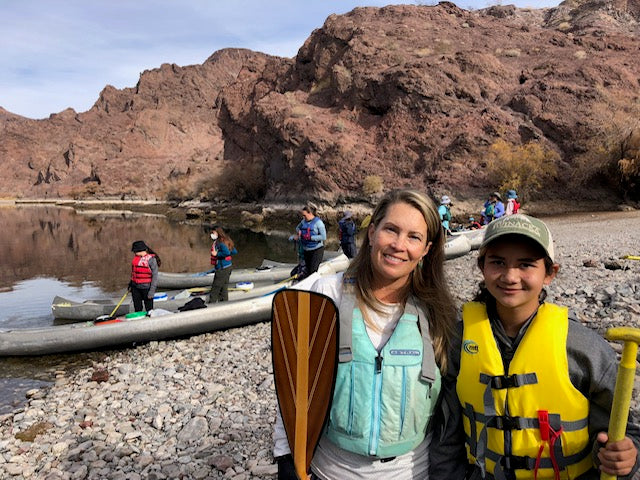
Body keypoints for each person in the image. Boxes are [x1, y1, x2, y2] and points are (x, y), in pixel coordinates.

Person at [430, 214, 640, 480]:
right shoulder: (458, 341)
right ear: (482, 267)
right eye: (498, 262)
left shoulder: (584, 348)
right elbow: (446, 435)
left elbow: (623, 432)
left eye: (526, 264)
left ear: (550, 273)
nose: (510, 276)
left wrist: (627, 456)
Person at [274, 189, 458, 479]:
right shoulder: (327, 294)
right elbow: (295, 385)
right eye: (391, 230)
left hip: (412, 473)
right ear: (372, 233)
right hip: (331, 472)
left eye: (414, 237)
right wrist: (287, 459)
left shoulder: (439, 312)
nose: (399, 245)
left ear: (426, 249)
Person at [291, 203, 327, 278]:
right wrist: (299, 232)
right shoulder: (303, 221)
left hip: (316, 250)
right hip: (306, 250)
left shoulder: (318, 223)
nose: (303, 217)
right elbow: (297, 228)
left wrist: (311, 237)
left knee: (313, 271)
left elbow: (323, 237)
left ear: (310, 213)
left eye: (304, 215)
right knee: (307, 270)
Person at [129, 240, 161, 312]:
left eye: (135, 251)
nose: (134, 253)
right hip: (135, 287)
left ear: (140, 251)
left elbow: (155, 277)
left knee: (149, 309)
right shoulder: (136, 258)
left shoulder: (151, 260)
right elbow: (134, 272)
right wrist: (131, 283)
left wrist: (151, 291)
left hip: (146, 288)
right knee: (137, 308)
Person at [208, 226, 237, 303]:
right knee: (224, 287)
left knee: (215, 288)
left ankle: (211, 304)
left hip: (222, 268)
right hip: (228, 267)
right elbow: (234, 251)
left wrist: (217, 254)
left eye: (213, 233)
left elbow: (226, 253)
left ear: (218, 232)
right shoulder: (226, 240)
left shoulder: (220, 243)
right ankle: (224, 303)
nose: (212, 234)